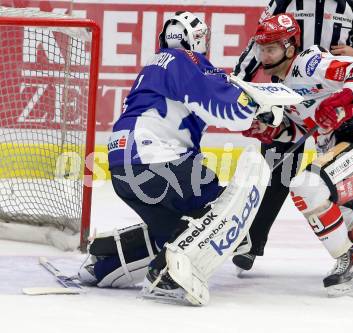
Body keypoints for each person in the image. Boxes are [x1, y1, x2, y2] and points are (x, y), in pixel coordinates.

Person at [77, 11, 287, 301]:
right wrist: (259, 108)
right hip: (156, 159)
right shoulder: (186, 61)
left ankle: (105, 261)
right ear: (196, 39)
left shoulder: (155, 64)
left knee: (180, 231)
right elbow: (221, 102)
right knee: (220, 204)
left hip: (124, 167)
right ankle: (167, 275)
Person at [242, 12, 353, 295]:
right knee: (339, 213)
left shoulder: (310, 63)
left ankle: (349, 261)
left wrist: (345, 99)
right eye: (261, 49)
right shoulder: (282, 89)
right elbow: (300, 130)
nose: (264, 56)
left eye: (271, 48)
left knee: (307, 187)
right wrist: (272, 132)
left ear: (290, 47)